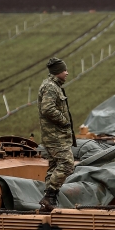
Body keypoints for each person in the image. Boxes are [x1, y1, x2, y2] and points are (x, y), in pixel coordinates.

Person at [37, 57, 76, 212]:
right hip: (55, 136)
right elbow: (47, 108)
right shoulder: (51, 87)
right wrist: (63, 121)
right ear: (57, 72)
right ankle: (49, 196)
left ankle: (49, 201)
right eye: (64, 70)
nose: (67, 73)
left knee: (54, 167)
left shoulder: (54, 86)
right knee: (67, 164)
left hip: (55, 135)